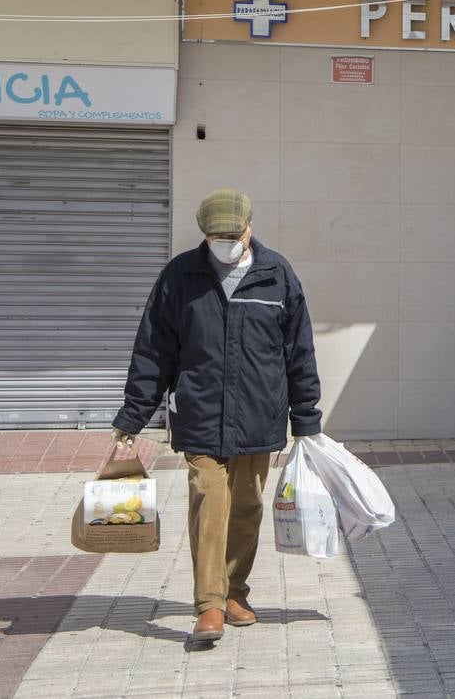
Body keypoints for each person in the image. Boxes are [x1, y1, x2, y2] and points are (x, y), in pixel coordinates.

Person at [110, 188, 323, 645]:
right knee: (209, 501)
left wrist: (306, 420)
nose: (224, 242)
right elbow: (153, 350)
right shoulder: (179, 276)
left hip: (259, 416)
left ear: (249, 227)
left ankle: (234, 591)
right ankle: (208, 605)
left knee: (247, 508)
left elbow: (299, 353)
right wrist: (132, 417)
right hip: (201, 415)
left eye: (231, 234)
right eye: (215, 235)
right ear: (204, 234)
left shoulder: (277, 275)